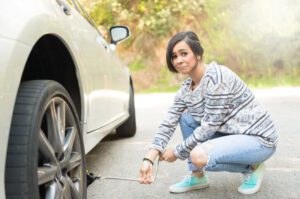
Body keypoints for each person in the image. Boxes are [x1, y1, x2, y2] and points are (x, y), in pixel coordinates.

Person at [138, 31, 278, 195]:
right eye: (174, 56)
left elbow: (209, 127)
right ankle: (197, 176)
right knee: (186, 117)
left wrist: (177, 152)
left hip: (259, 140)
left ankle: (254, 166)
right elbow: (169, 122)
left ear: (197, 54)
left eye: (184, 54)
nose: (179, 60)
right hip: (234, 135)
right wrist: (149, 158)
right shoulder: (186, 89)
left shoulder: (217, 77)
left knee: (199, 156)